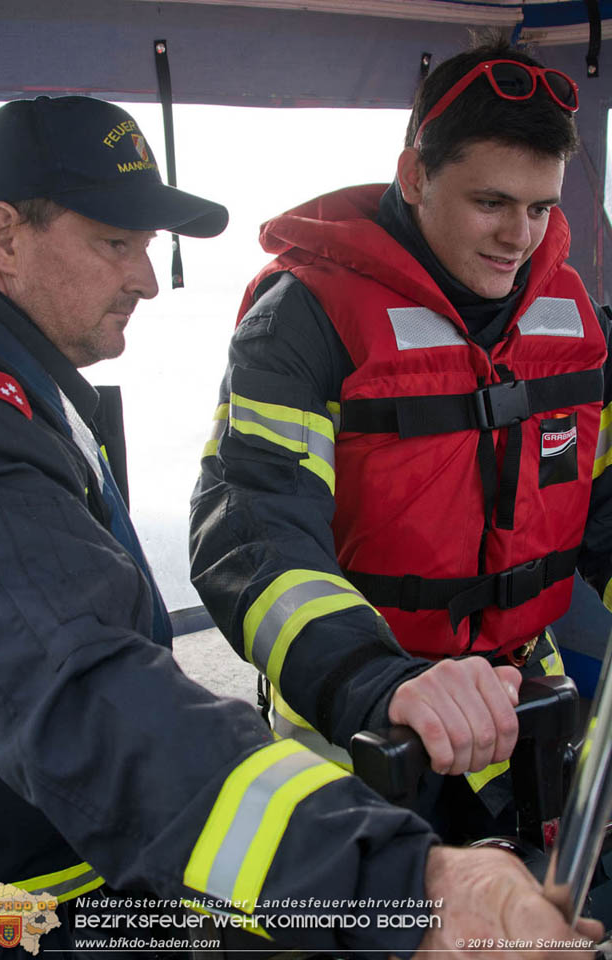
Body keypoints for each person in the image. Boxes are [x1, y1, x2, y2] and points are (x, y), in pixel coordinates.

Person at [0, 94, 601, 960]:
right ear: (3, 236)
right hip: (27, 904)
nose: (148, 280)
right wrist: (397, 884)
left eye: (540, 209)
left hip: (108, 858)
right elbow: (89, 686)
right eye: (117, 244)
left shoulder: (28, 387)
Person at [189, 35, 612, 841]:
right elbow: (250, 533)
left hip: (528, 695)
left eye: (541, 208)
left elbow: (606, 500)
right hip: (368, 717)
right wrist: (374, 682)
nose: (520, 238)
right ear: (415, 176)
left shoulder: (574, 317)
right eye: (491, 203)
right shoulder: (303, 317)